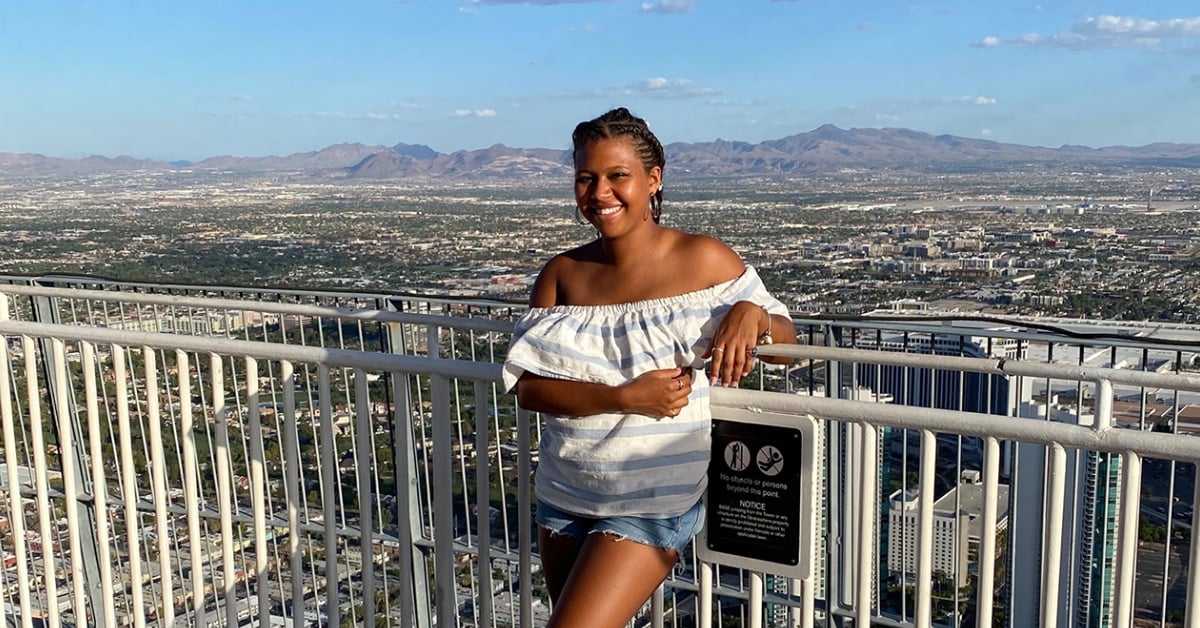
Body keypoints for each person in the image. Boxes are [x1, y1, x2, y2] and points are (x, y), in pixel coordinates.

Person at [501, 107, 796, 627]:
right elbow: (529, 390)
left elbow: (785, 342)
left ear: (653, 179)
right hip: (564, 494)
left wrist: (754, 314)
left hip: (650, 502)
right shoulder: (562, 275)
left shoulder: (703, 260)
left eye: (617, 176)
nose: (599, 193)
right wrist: (623, 397)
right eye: (586, 179)